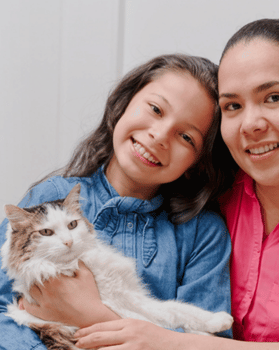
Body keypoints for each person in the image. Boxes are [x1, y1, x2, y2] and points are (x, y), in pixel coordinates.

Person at [55, 9, 279, 350]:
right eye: (233, 106)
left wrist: (165, 343)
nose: (250, 124)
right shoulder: (203, 192)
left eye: (274, 98)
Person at [0, 54, 233, 350]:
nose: (159, 136)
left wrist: (93, 315)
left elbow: (208, 343)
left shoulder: (202, 233)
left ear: (198, 163)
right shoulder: (51, 197)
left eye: (186, 137)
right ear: (123, 104)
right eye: (156, 109)